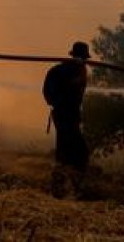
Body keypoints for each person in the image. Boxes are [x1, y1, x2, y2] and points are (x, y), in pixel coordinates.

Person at [43, 41, 90, 197]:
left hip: (70, 116)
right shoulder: (63, 70)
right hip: (64, 115)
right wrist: (60, 101)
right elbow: (48, 92)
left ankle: (66, 187)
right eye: (84, 58)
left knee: (69, 152)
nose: (86, 61)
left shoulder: (78, 70)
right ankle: (65, 189)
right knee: (77, 152)